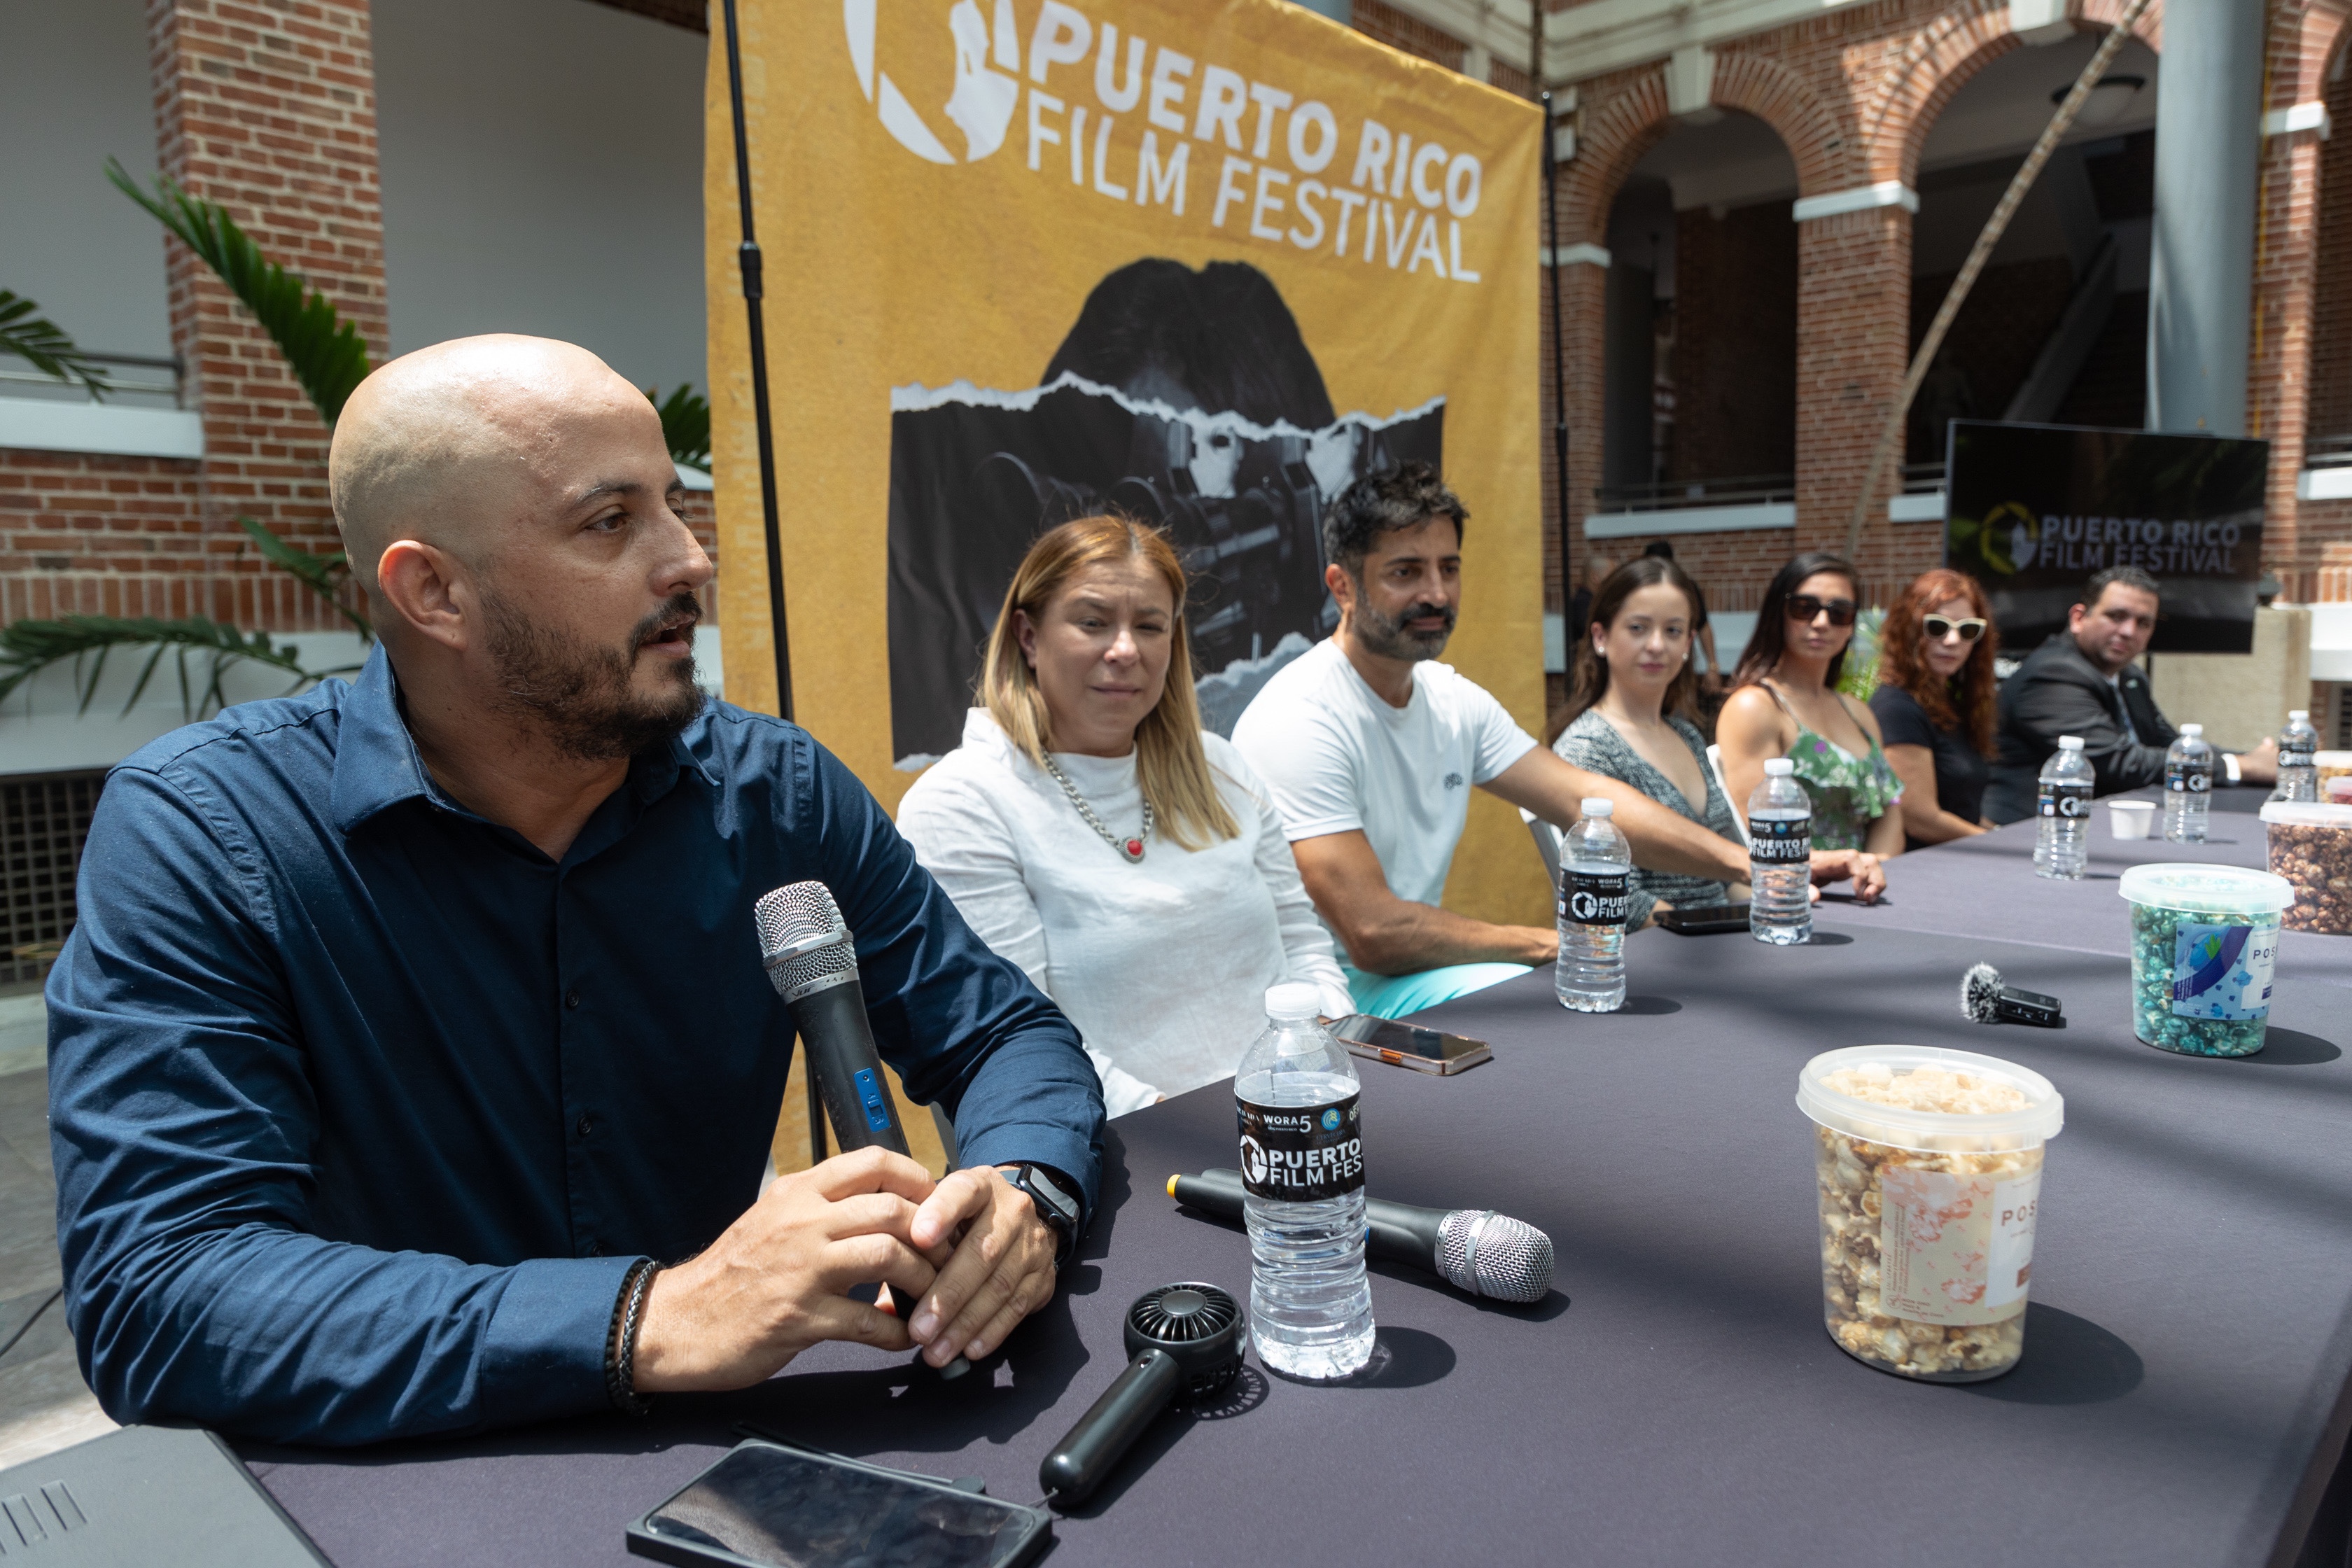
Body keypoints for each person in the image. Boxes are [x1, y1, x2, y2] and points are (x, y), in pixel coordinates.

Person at [45, 336, 1104, 1446]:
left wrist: (1024, 1190)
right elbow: (160, 1295)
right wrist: (654, 1317)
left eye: (676, 507)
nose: (690, 560)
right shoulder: (211, 832)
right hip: (404, 1491)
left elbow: (1001, 1033)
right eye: (611, 523)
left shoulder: (778, 795)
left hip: (740, 1466)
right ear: (434, 591)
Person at [1234, 464, 1872, 1018]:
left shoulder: (1452, 700)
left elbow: (1587, 798)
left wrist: (1759, 864)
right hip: (1321, 1009)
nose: (1435, 593)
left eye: (1448, 568)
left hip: (1406, 981)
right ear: (1342, 585)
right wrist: (1552, 943)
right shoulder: (1300, 717)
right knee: (1556, 1002)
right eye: (1406, 571)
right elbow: (1374, 932)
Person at [898, 516, 1350, 1117]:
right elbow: (1019, 1040)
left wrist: (1328, 1064)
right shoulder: (961, 805)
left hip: (1302, 1119)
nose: (1125, 650)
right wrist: (1183, 1126)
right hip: (1131, 1150)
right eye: (1092, 622)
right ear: (1028, 637)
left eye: (1150, 626)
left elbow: (1302, 942)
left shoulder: (1223, 770)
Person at [1984, 565, 2277, 821]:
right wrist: (2243, 766)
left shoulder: (2130, 676)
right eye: (2116, 616)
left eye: (2143, 622)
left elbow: (2170, 744)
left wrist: (2252, 758)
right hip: (2034, 833)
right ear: (2078, 618)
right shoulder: (2051, 675)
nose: (2128, 631)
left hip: (2107, 821)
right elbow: (2117, 762)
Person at [1546, 556, 1745, 928]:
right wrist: (1717, 933)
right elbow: (1619, 897)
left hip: (1724, 940)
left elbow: (1727, 877)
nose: (1657, 645)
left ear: (1689, 644)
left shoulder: (1686, 734)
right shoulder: (1587, 747)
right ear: (1601, 637)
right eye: (1638, 628)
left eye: (1673, 631)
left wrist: (1770, 908)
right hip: (1657, 957)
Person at [1716, 553, 1902, 872]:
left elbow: (1890, 809)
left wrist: (1875, 865)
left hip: (1871, 884)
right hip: (1795, 892)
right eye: (1804, 608)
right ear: (1779, 613)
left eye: (1839, 613)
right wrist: (1843, 868)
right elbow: (1759, 832)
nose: (1821, 623)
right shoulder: (1755, 706)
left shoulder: (1859, 712)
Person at [1871, 568, 1998, 850]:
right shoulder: (1896, 707)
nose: (1953, 641)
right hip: (1925, 872)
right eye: (1938, 627)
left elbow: (1964, 811)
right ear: (1910, 630)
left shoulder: (1953, 703)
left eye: (1968, 630)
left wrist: (2003, 834)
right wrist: (1998, 844)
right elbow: (1919, 818)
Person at [1641, 540, 1723, 692]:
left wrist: (1712, 666)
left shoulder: (1686, 588)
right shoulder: (1638, 589)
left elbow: (1703, 625)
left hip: (1678, 671)